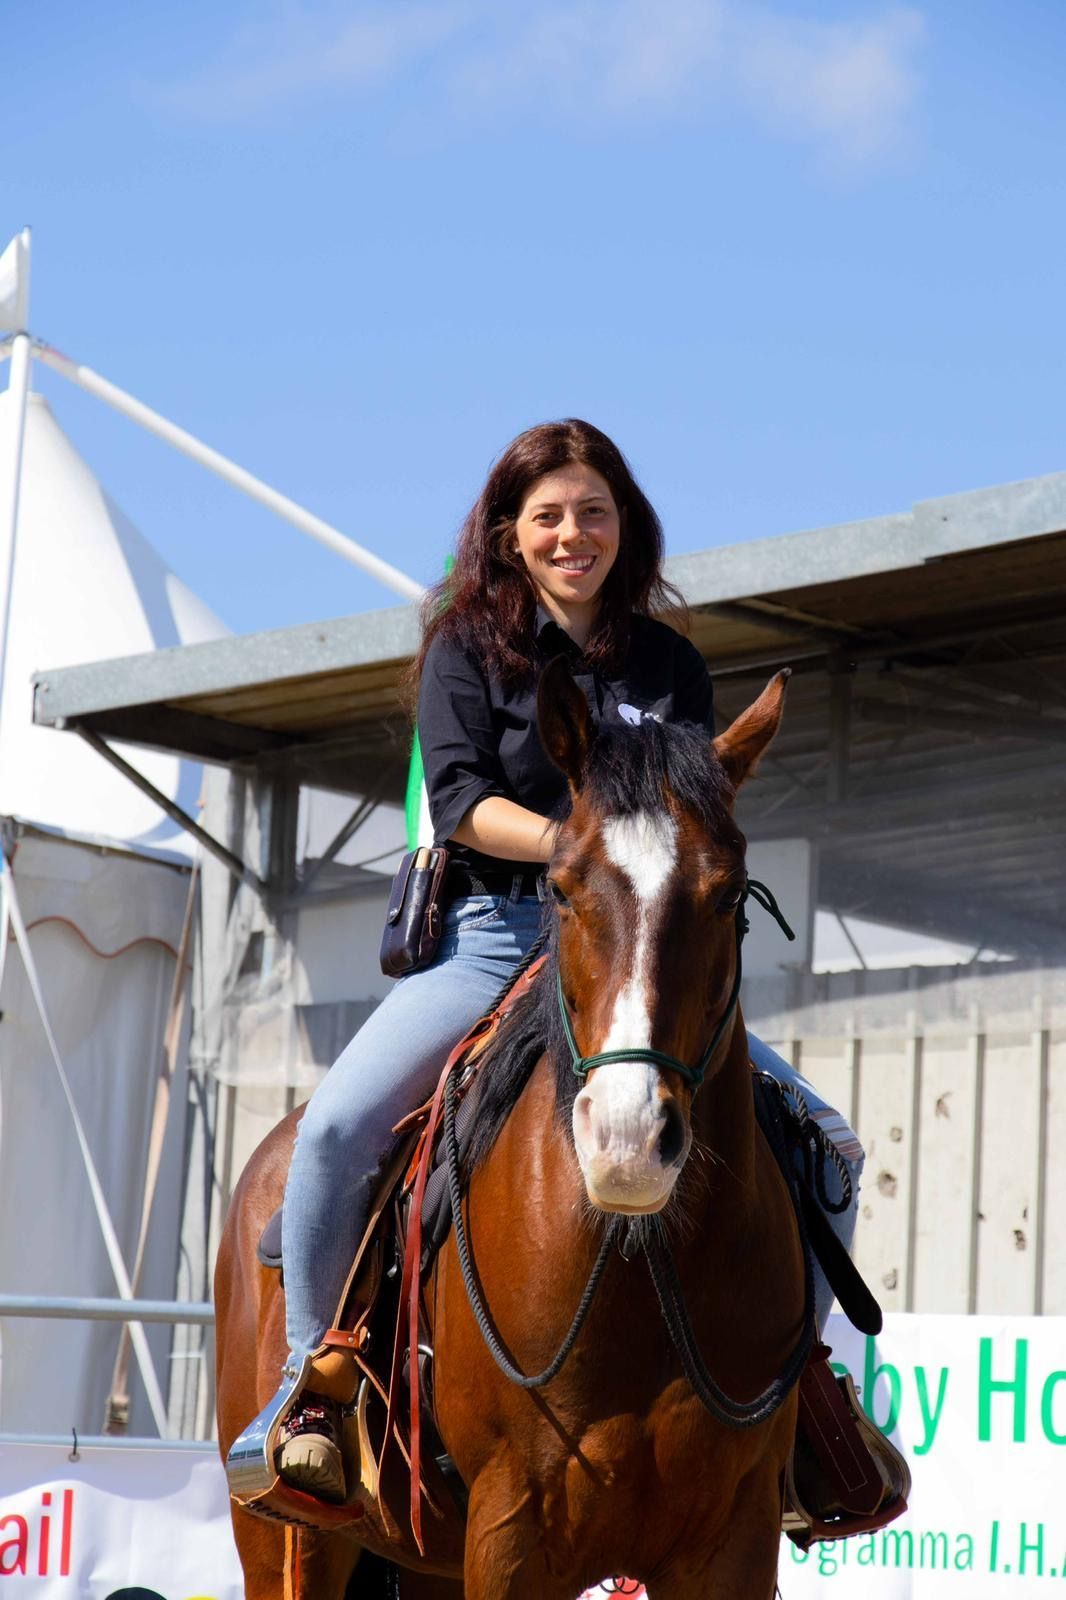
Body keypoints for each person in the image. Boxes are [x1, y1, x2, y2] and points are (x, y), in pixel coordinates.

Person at [271, 419, 863, 1503]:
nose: (571, 533)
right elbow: (459, 803)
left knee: (830, 1150)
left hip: (634, 946)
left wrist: (623, 873)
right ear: (510, 534)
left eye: (593, 511)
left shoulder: (669, 665)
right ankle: (310, 1386)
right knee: (336, 1130)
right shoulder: (464, 649)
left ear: (623, 525)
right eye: (547, 515)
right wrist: (579, 850)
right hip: (494, 937)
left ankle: (798, 1403)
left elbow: (690, 811)